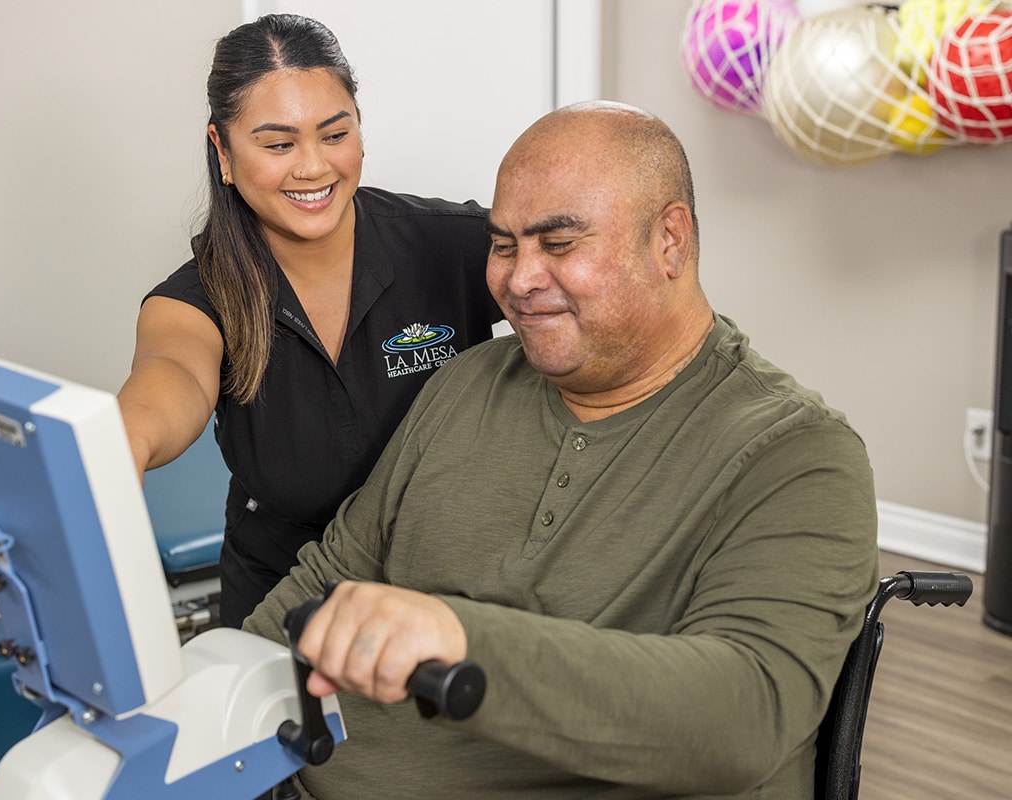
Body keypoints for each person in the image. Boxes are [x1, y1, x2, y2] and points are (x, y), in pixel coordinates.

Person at [243, 101, 880, 799]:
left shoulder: (798, 455)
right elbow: (326, 581)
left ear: (670, 240)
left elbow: (747, 716)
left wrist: (461, 640)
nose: (519, 280)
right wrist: (213, 695)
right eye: (504, 245)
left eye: (559, 243)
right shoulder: (469, 380)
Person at [116, 14, 502, 628]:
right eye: (278, 145)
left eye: (334, 134)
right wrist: (119, 447)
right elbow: (173, 375)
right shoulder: (196, 298)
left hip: (446, 597)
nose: (313, 167)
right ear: (223, 150)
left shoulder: (451, 245)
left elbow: (579, 288)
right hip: (282, 600)